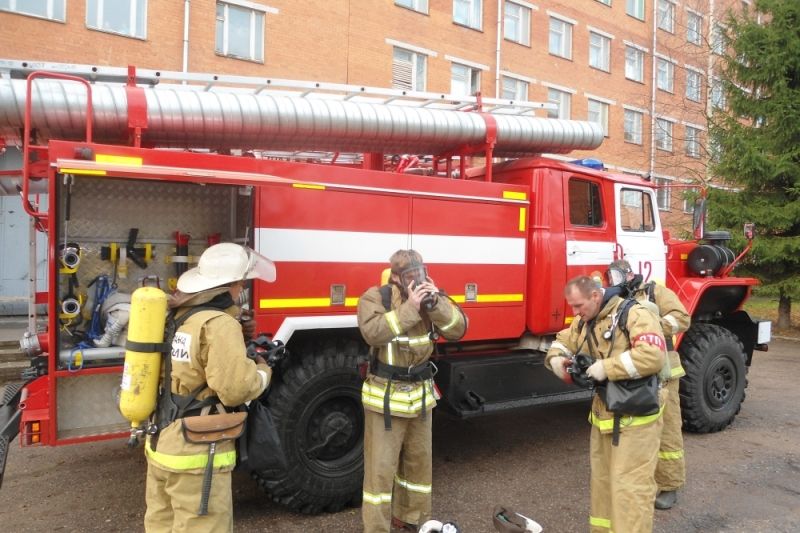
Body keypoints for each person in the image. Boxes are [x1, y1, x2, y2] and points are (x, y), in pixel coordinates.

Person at [144, 243, 276, 532]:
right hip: (198, 452)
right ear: (229, 284)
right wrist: (264, 372)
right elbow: (236, 389)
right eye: (241, 281)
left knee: (162, 525)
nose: (243, 287)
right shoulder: (218, 324)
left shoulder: (177, 317)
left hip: (162, 442)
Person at [545, 276, 667, 533]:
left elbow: (652, 356)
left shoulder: (634, 314)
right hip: (604, 416)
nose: (575, 313)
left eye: (579, 306)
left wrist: (606, 368)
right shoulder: (586, 320)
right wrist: (556, 359)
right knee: (602, 487)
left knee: (630, 491)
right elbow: (563, 340)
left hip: (636, 420)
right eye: (572, 307)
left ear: (595, 296)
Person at [357, 250, 467, 533]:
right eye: (409, 277)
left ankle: (414, 521)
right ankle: (377, 528)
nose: (415, 281)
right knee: (380, 476)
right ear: (395, 277)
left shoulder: (433, 297)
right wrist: (410, 308)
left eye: (419, 273)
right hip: (386, 400)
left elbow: (458, 329)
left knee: (419, 470)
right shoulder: (375, 297)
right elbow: (373, 332)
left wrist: (435, 304)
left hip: (419, 398)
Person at [606, 260, 691, 510]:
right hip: (631, 371)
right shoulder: (616, 299)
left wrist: (653, 324)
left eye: (616, 275)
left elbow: (682, 319)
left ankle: (669, 485)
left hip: (663, 372)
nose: (613, 281)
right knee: (633, 429)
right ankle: (634, 481)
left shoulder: (655, 292)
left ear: (629, 273)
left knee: (668, 430)